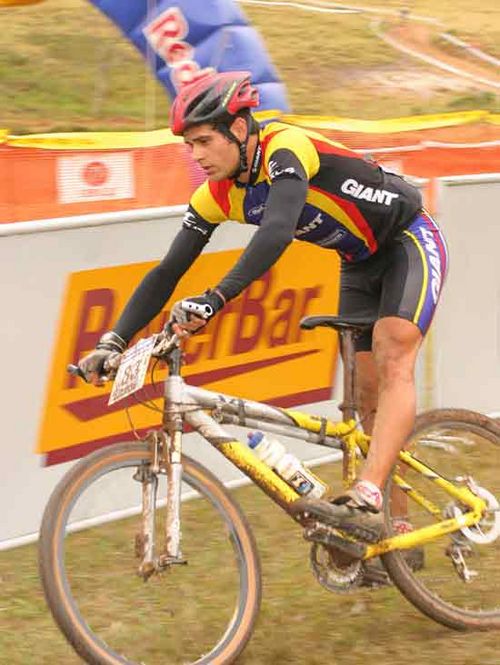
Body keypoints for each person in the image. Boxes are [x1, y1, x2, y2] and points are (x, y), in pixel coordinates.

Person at [79, 70, 448, 543]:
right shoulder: (216, 195)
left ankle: (369, 492)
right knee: (366, 400)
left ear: (238, 129)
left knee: (392, 352)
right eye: (189, 145)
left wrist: (215, 299)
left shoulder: (285, 148)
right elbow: (166, 272)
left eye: (205, 141)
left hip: (407, 240)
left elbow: (277, 231)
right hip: (357, 262)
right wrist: (111, 340)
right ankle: (393, 531)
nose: (196, 156)